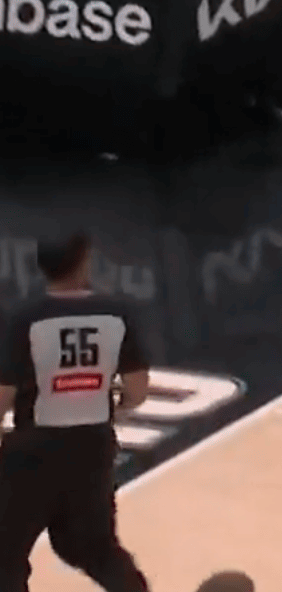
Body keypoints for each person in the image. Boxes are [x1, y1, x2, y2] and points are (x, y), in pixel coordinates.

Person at [0, 232, 151, 592]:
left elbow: (4, 394)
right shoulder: (116, 313)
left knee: (5, 556)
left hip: (33, 452)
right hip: (92, 448)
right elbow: (137, 391)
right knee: (94, 549)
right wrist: (117, 403)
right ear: (85, 261)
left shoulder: (26, 318)